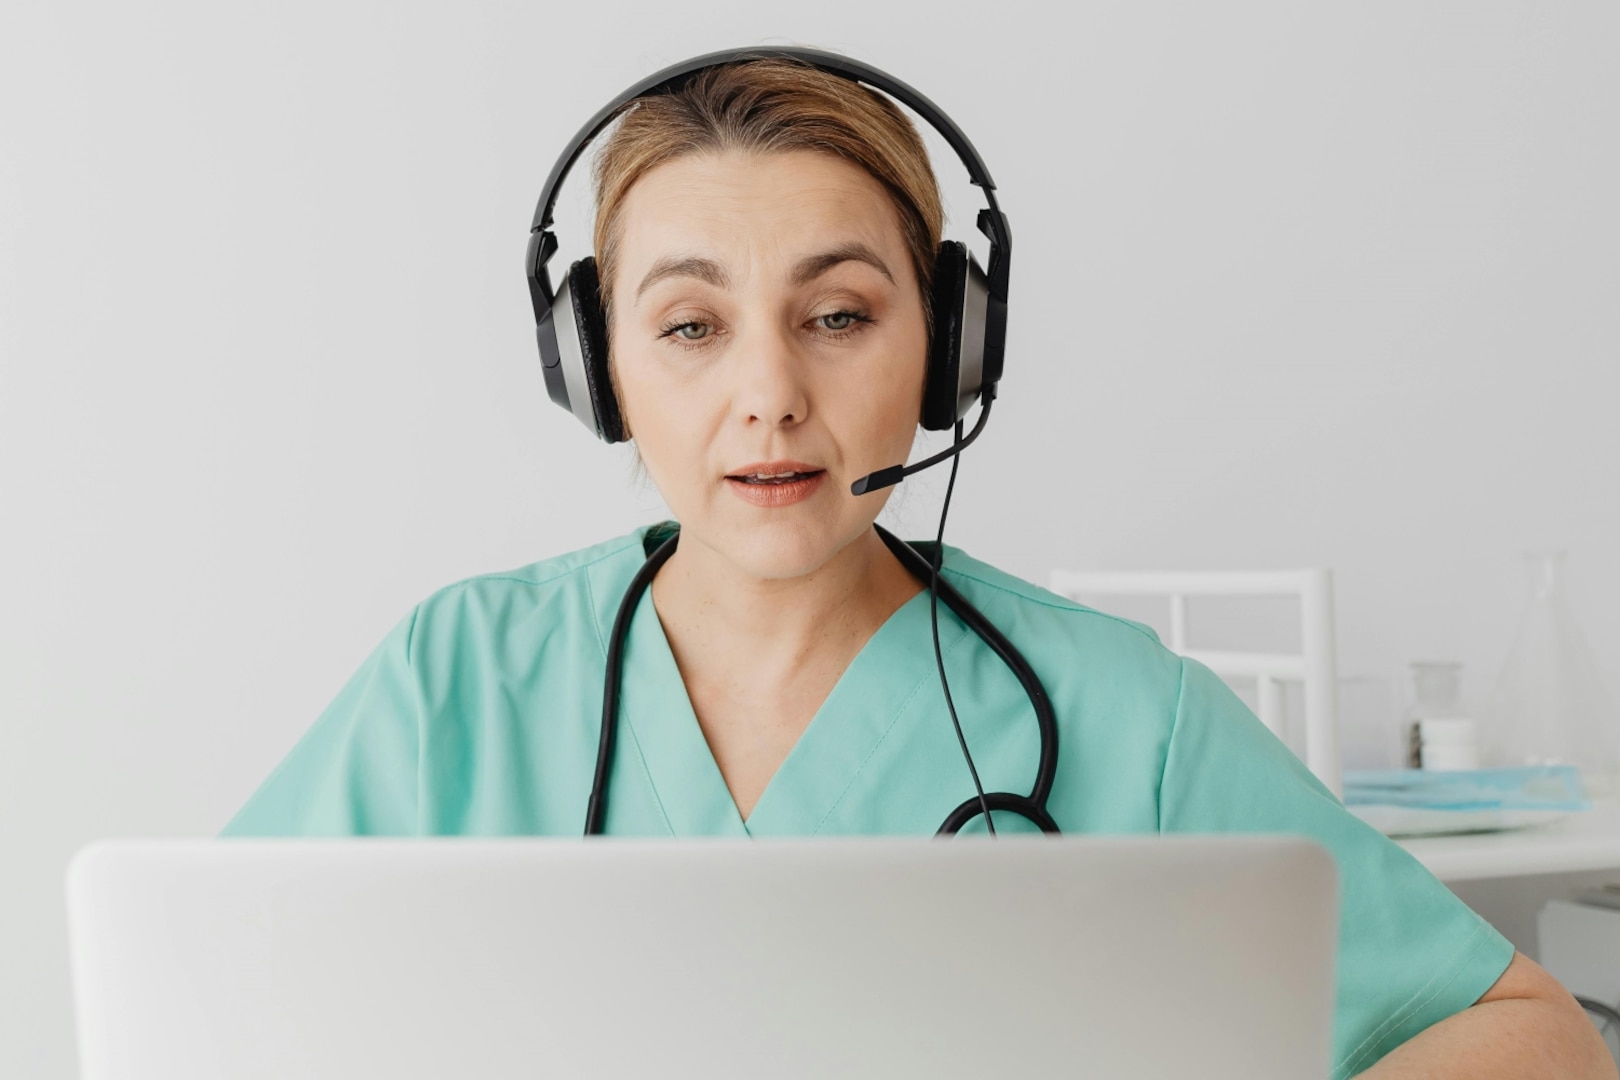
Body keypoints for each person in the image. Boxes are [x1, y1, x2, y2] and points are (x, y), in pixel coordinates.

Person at [219, 48, 1612, 1079]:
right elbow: (210, 1016)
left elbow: (1535, 1036)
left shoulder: (1127, 715)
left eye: (837, 313)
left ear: (951, 347)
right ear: (596, 367)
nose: (767, 393)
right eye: (692, 328)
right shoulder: (454, 680)